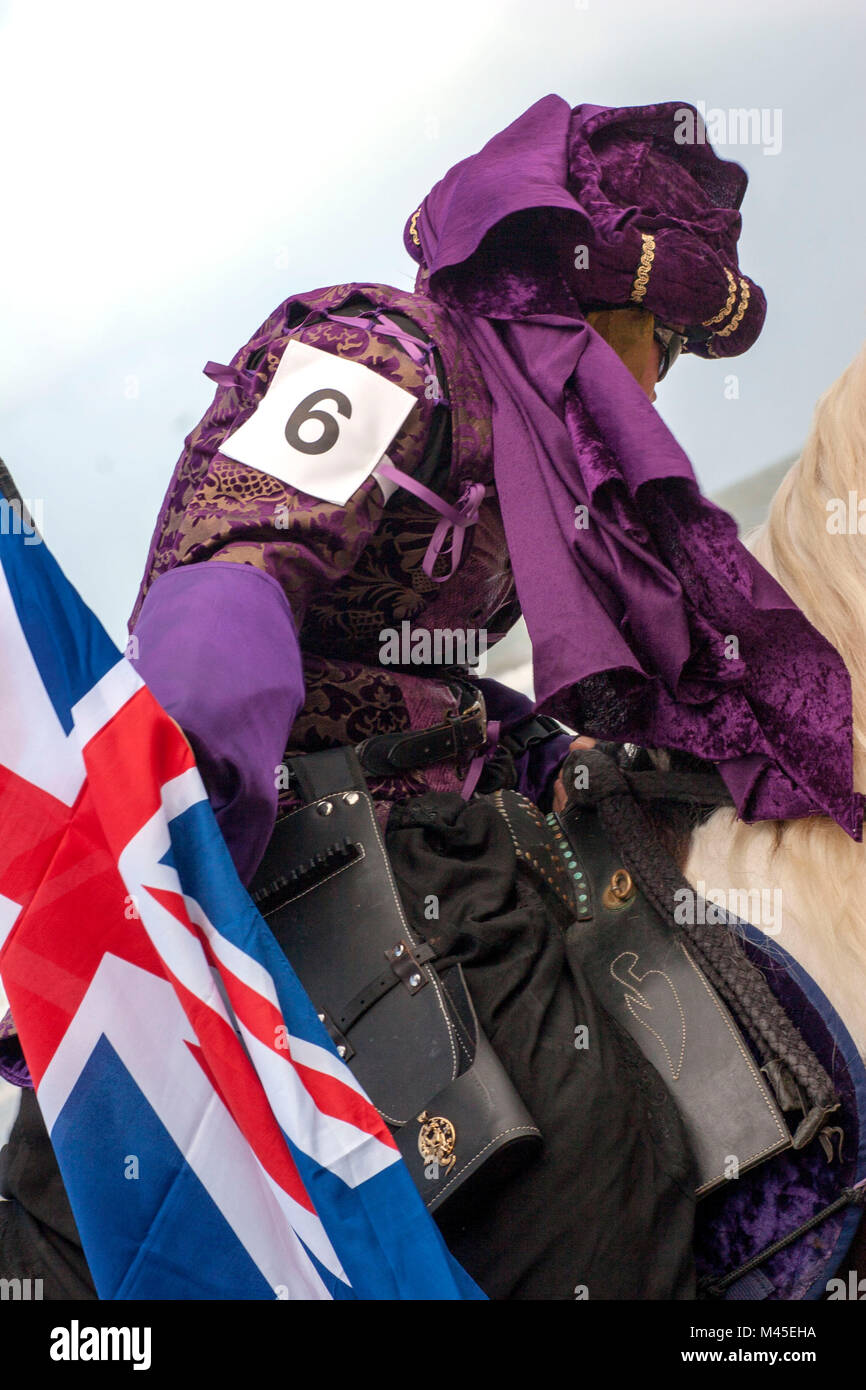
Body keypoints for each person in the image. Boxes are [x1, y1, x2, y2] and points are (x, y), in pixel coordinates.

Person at [2, 95, 861, 1300]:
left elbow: (413, 677)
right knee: (603, 1206)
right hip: (302, 871)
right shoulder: (380, 354)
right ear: (592, 301)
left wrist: (538, 747)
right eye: (661, 346)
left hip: (438, 853)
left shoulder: (516, 443)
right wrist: (179, 889)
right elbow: (228, 606)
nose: (661, 391)